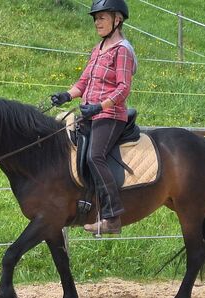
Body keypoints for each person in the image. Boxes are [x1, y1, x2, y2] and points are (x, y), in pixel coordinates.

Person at [51, 0, 137, 235]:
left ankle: (112, 217)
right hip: (90, 113)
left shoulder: (123, 50)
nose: (96, 22)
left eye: (101, 17)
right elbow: (83, 82)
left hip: (110, 116)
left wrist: (100, 106)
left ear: (117, 20)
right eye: (95, 18)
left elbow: (123, 88)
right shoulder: (98, 49)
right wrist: (66, 95)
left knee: (94, 156)